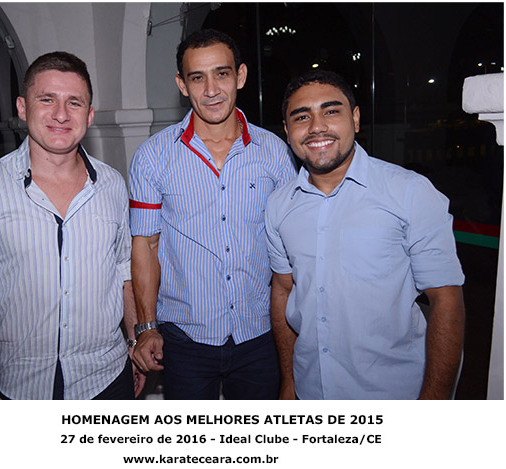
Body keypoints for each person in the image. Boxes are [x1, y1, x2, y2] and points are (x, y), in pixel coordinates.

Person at [0, 51, 144, 400]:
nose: (61, 114)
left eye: (74, 102)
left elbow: (123, 268)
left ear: (90, 115)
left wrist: (134, 342)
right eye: (47, 99)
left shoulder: (112, 185)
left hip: (109, 380)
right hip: (24, 391)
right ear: (22, 108)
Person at [266, 70, 465, 400]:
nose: (317, 126)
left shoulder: (410, 193)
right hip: (310, 391)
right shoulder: (278, 205)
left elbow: (446, 300)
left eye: (331, 111)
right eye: (301, 117)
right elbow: (283, 290)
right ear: (287, 132)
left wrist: (434, 406)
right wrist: (289, 382)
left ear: (355, 119)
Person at [129, 29, 297, 400]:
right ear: (182, 85)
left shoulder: (274, 152)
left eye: (221, 74)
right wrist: (146, 327)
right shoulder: (153, 157)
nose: (211, 90)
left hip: (260, 334)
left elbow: (294, 244)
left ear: (240, 75)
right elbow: (145, 245)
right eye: (197, 77)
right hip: (184, 337)